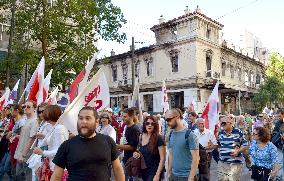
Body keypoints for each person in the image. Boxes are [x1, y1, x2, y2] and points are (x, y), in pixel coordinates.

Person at [51, 106, 125, 181]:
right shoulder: (66, 145)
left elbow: (117, 169)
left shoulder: (108, 141)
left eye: (87, 118)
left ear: (96, 121)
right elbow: (56, 175)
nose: (83, 121)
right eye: (81, 118)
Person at [33, 105, 69, 176]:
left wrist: (42, 152)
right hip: (53, 166)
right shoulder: (55, 127)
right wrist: (44, 137)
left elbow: (60, 151)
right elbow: (52, 142)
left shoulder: (59, 129)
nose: (42, 114)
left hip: (57, 168)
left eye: (44, 112)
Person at [165, 108, 199, 181]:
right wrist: (169, 173)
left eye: (169, 119)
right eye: (166, 120)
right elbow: (170, 155)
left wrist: (191, 177)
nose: (167, 122)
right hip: (174, 175)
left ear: (177, 117)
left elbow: (196, 158)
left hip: (187, 176)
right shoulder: (170, 134)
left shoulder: (189, 135)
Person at [133, 116, 166, 181]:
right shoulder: (141, 136)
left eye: (152, 124)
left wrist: (157, 175)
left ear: (155, 125)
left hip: (154, 171)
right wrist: (135, 153)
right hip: (143, 169)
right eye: (147, 123)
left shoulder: (159, 138)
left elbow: (163, 158)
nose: (149, 125)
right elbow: (138, 150)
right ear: (144, 124)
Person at [217, 116, 248, 181]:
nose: (222, 125)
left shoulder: (238, 132)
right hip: (222, 162)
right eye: (221, 123)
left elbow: (245, 145)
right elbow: (219, 145)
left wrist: (238, 151)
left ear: (230, 123)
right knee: (221, 179)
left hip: (235, 163)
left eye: (224, 123)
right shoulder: (220, 133)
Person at [14, 101, 38, 181]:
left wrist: (23, 155)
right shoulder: (27, 120)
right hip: (21, 154)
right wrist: (16, 136)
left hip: (27, 156)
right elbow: (26, 136)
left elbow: (31, 139)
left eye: (28, 107)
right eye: (24, 106)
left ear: (34, 109)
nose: (25, 108)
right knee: (19, 176)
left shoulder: (35, 121)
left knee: (25, 177)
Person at [117, 108, 140, 181]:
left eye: (125, 116)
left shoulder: (135, 129)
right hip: (126, 158)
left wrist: (117, 146)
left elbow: (132, 147)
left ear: (131, 117)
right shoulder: (127, 127)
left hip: (132, 160)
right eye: (122, 116)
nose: (122, 118)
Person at [8, 104, 26, 180]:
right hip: (12, 148)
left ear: (17, 111)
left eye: (12, 110)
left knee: (15, 172)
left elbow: (22, 136)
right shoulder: (17, 121)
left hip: (17, 149)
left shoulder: (22, 122)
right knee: (12, 170)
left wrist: (14, 136)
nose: (10, 112)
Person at [271, 109, 284, 180]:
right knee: (280, 163)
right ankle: (279, 178)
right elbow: (274, 133)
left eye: (280, 116)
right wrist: (279, 135)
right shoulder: (278, 123)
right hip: (279, 146)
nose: (279, 118)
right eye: (278, 116)